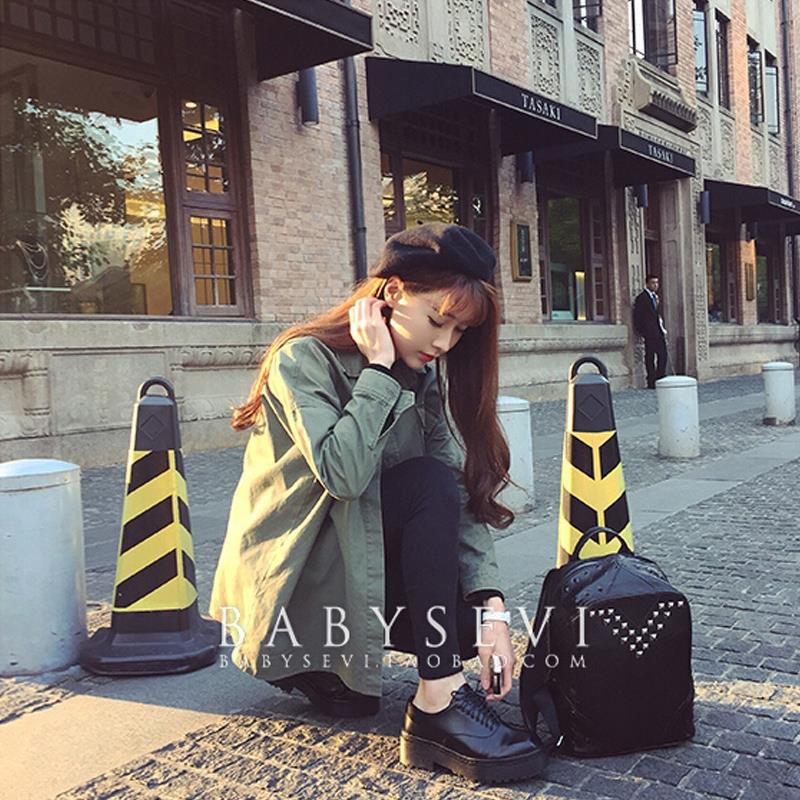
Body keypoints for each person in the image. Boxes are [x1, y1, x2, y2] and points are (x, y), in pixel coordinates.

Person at [209, 223, 546, 783]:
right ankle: (436, 701)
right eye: (437, 320)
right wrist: (379, 371)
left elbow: (456, 494)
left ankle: (369, 674)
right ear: (392, 293)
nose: (445, 343)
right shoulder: (303, 359)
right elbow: (342, 475)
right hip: (300, 576)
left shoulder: (422, 376)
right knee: (424, 483)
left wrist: (493, 611)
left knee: (464, 621)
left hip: (357, 554)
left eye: (459, 331)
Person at [633, 274, 668, 389]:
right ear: (647, 284)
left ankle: (660, 377)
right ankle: (651, 380)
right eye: (653, 283)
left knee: (663, 354)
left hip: (658, 331)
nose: (655, 285)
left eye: (657, 283)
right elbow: (638, 316)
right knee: (650, 356)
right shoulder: (641, 298)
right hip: (649, 332)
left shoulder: (655, 297)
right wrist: (643, 331)